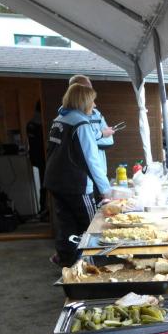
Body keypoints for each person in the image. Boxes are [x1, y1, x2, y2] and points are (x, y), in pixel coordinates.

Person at [44, 83, 111, 267]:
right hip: (76, 184)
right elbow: (91, 159)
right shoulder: (81, 124)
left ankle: (67, 262)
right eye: (92, 101)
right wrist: (106, 190)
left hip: (55, 181)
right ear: (83, 101)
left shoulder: (60, 119)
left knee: (66, 224)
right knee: (91, 226)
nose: (94, 105)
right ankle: (95, 266)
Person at [67, 75, 115, 171]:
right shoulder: (68, 116)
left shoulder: (96, 113)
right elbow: (76, 144)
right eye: (87, 87)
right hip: (81, 172)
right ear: (76, 90)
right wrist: (101, 134)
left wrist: (88, 140)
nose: (91, 90)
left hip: (100, 170)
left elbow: (110, 140)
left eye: (91, 87)